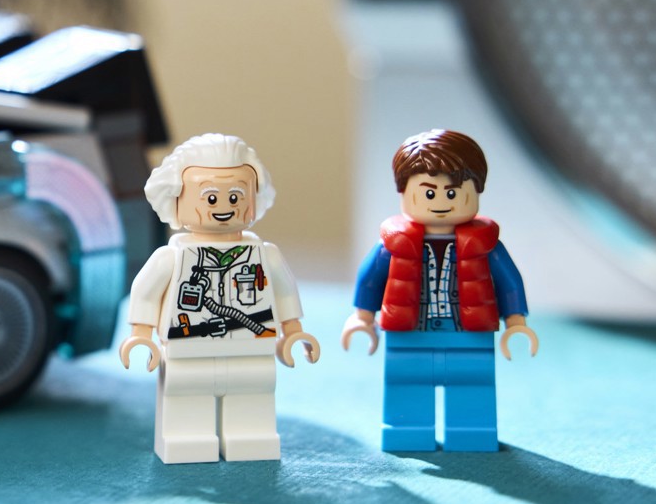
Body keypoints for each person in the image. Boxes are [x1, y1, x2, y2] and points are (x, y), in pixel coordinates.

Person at [121, 134, 319, 463]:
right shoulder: (172, 257)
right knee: (187, 400)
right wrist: (140, 335)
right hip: (188, 350)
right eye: (211, 197)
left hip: (252, 349)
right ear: (176, 197)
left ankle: (249, 438)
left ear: (254, 196)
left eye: (236, 195)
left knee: (252, 399)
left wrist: (293, 331)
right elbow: (146, 291)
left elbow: (284, 290)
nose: (225, 207)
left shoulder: (264, 254)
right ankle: (187, 440)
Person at [341, 129, 537, 452]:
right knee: (407, 385)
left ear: (476, 191)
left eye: (454, 192)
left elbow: (509, 280)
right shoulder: (393, 245)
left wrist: (516, 322)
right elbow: (370, 277)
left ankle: (472, 432)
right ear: (404, 192)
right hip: (410, 333)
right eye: (429, 193)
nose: (442, 203)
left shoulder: (485, 245)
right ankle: (407, 432)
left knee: (472, 386)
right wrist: (362, 318)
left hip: (469, 333)